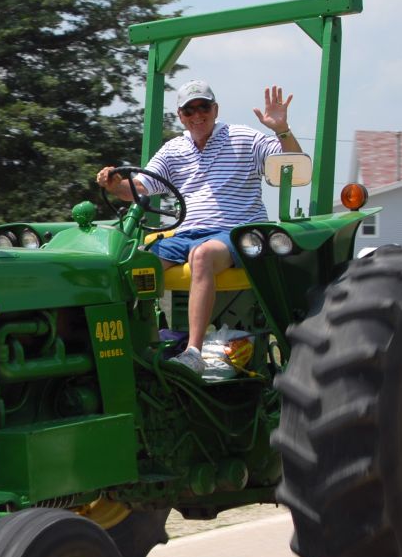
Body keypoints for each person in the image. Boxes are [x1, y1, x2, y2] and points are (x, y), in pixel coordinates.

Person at [96, 80, 300, 373]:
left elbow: (290, 164)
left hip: (235, 233)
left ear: (215, 109)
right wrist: (115, 185)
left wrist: (281, 129)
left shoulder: (244, 138)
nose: (197, 115)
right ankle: (135, 346)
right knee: (131, 263)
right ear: (180, 115)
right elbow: (139, 189)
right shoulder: (174, 150)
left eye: (203, 107)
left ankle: (193, 352)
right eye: (189, 110)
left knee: (202, 255)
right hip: (185, 233)